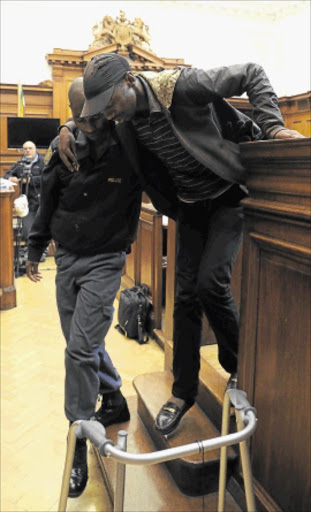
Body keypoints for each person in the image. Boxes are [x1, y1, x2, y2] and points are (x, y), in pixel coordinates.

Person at [58, 53, 304, 437]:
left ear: (130, 81)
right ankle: (182, 391)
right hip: (189, 206)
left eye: (110, 104)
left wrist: (272, 128)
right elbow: (90, 127)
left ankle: (238, 364)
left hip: (226, 196)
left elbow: (252, 72)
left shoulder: (180, 86)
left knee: (210, 284)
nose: (107, 115)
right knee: (184, 296)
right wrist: (66, 127)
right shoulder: (120, 118)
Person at [26, 77, 142, 497]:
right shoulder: (66, 144)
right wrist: (36, 249)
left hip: (106, 260)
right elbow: (48, 199)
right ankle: (113, 396)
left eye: (91, 119)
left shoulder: (128, 145)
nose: (86, 126)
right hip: (68, 259)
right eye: (79, 120)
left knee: (78, 349)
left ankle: (78, 437)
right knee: (82, 343)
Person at [5, 141, 46, 271]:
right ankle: (29, 253)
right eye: (25, 149)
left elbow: (49, 177)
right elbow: (6, 175)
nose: (27, 151)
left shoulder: (43, 162)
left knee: (42, 228)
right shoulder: (20, 164)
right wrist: (10, 178)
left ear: (35, 150)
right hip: (27, 203)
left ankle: (41, 252)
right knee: (28, 229)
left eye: (30, 148)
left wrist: (30, 180)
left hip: (43, 201)